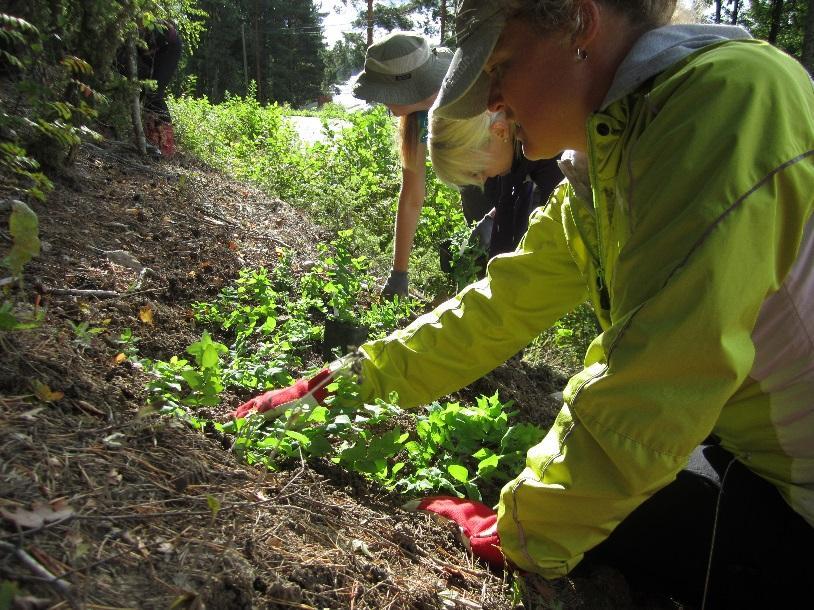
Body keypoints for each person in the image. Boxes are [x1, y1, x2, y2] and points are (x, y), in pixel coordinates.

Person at [237, 0, 814, 607]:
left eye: (501, 65)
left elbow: (657, 377)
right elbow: (497, 308)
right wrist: (339, 386)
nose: (491, 100)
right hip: (757, 452)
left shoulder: (727, 103)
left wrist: (518, 535)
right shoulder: (611, 161)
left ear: (579, 25)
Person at [352, 33, 492, 298]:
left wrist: (498, 216)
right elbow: (412, 197)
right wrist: (398, 274)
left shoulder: (475, 96)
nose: (380, 100)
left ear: (405, 88)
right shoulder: (418, 118)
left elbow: (531, 165)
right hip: (479, 204)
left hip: (524, 194)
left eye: (383, 91)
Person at [428, 111, 564, 262]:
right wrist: (492, 220)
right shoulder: (507, 154)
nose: (482, 179)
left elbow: (556, 240)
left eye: (477, 172)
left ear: (500, 132)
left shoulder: (551, 156)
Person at [135, 19, 182, 156]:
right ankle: (151, 139)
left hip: (170, 48)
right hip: (154, 51)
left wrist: (149, 52)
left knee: (155, 94)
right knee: (143, 93)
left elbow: (162, 39)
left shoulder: (150, 21)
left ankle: (167, 144)